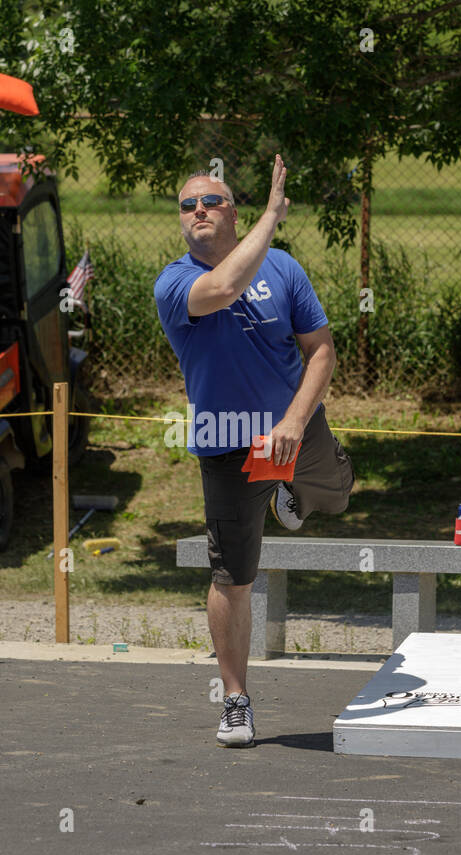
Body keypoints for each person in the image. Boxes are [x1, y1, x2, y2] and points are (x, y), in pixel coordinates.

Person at [154, 155, 355, 747]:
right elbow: (225, 286)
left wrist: (295, 418)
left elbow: (321, 348)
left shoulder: (286, 270)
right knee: (233, 575)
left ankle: (290, 485)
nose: (197, 212)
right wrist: (273, 215)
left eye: (210, 201)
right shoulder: (175, 283)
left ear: (232, 214)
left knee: (339, 496)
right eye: (187, 205)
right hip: (226, 442)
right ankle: (236, 699)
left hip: (296, 429)